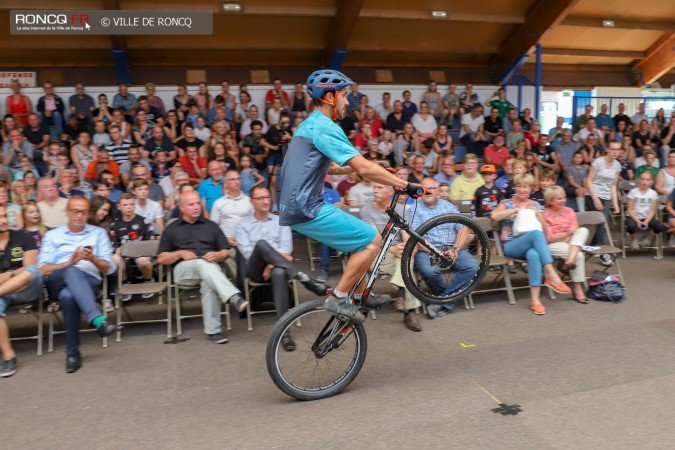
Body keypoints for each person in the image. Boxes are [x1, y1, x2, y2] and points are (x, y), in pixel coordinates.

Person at [278, 69, 418, 323]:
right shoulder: (325, 126)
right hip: (307, 206)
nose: (347, 101)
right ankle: (339, 297)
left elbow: (331, 167)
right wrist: (405, 184)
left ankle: (362, 294)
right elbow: (363, 169)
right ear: (330, 97)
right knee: (372, 239)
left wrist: (368, 166)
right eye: (343, 95)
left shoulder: (308, 125)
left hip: (296, 206)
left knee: (361, 242)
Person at [236, 186, 328, 349]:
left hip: (279, 267)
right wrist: (270, 261)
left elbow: (287, 250)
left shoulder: (281, 221)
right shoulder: (242, 225)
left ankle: (284, 333)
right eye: (261, 198)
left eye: (267, 197)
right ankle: (301, 277)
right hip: (256, 269)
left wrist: (271, 264)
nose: (266, 201)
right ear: (251, 202)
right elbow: (248, 254)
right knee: (261, 244)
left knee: (279, 273)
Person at [38, 196, 121, 373]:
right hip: (57, 279)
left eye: (83, 212)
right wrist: (68, 262)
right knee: (71, 271)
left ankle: (73, 353)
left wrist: (94, 259)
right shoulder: (53, 235)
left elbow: (109, 268)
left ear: (88, 214)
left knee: (68, 296)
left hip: (89, 282)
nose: (79, 216)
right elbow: (43, 269)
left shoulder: (98, 233)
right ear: (67, 212)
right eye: (75, 211)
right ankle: (98, 319)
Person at [157, 191, 246, 344]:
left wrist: (218, 255)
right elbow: (161, 258)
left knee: (208, 282)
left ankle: (214, 331)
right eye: (191, 204)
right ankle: (233, 296)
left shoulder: (210, 225)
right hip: (183, 271)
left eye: (198, 203)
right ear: (181, 207)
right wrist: (180, 253)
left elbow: (225, 251)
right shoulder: (172, 228)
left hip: (209, 269)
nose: (196, 207)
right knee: (202, 264)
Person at [491, 174, 571, 315]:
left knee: (534, 254)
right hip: (511, 246)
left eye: (526, 187)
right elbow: (494, 216)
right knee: (535, 234)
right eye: (520, 186)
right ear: (515, 187)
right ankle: (551, 273)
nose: (522, 190)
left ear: (531, 189)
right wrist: (516, 210)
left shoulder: (535, 205)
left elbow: (545, 231)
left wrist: (537, 214)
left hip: (532, 244)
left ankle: (535, 301)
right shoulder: (507, 202)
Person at [410, 177, 478, 318]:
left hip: (452, 247)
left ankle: (441, 302)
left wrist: (455, 249)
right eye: (425, 188)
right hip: (427, 250)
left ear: (438, 191)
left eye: (432, 188)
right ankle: (447, 299)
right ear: (420, 191)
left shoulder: (448, 206)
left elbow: (463, 229)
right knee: (430, 272)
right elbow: (416, 238)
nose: (428, 191)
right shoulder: (414, 208)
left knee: (472, 267)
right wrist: (437, 253)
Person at [360, 182, 422, 331]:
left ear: (390, 192)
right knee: (405, 262)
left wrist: (405, 249)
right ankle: (409, 309)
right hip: (376, 251)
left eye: (379, 187)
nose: (375, 191)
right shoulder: (367, 209)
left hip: (397, 253)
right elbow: (374, 238)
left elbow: (406, 236)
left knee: (405, 258)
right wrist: (392, 248)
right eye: (374, 187)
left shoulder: (400, 209)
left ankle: (403, 300)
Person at [0, 205, 42, 377]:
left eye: (4, 216)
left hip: (25, 289)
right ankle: (9, 356)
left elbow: (29, 267)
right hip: (4, 293)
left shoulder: (24, 237)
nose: (3, 221)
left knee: (32, 271)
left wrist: (8, 274)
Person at [541, 186, 589, 303]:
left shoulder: (569, 211)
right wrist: (567, 233)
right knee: (579, 255)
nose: (563, 200)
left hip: (571, 242)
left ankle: (569, 260)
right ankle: (577, 288)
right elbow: (549, 238)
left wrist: (570, 234)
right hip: (554, 244)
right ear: (550, 201)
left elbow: (576, 229)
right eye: (559, 199)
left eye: (564, 198)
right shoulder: (544, 215)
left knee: (584, 230)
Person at [109, 193, 155, 302]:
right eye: (125, 205)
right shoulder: (115, 224)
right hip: (124, 255)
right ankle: (124, 283)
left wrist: (141, 252)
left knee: (142, 260)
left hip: (143, 253)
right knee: (115, 259)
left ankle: (148, 280)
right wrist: (120, 251)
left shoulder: (144, 221)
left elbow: (151, 241)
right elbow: (114, 244)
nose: (129, 207)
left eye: (131, 204)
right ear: (119, 207)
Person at [585, 140, 621, 258]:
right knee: (601, 222)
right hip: (592, 194)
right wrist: (596, 199)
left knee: (603, 222)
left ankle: (591, 246)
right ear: (607, 150)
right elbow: (588, 181)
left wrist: (615, 204)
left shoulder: (617, 166)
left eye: (618, 149)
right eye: (613, 149)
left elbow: (613, 185)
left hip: (606, 196)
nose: (615, 152)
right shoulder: (598, 162)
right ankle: (603, 252)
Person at [625, 171, 665, 249]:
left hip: (647, 217)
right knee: (631, 226)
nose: (644, 182)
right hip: (634, 216)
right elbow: (629, 209)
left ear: (651, 182)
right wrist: (638, 221)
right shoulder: (633, 192)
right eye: (642, 179)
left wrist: (646, 221)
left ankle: (648, 238)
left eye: (647, 180)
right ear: (639, 180)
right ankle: (634, 239)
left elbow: (652, 210)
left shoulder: (653, 193)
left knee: (659, 226)